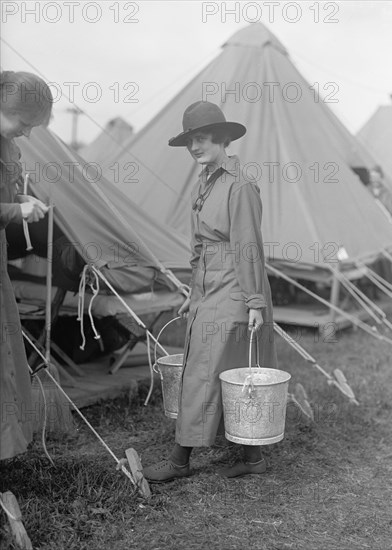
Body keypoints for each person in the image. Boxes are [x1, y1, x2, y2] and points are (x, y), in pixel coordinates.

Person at [143, 101, 277, 482]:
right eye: (190, 142)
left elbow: (248, 246)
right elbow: (200, 247)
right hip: (208, 287)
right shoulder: (206, 182)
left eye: (201, 139)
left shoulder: (240, 185)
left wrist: (253, 301)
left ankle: (179, 459)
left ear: (221, 140)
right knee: (228, 371)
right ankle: (252, 459)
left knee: (207, 369)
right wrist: (192, 292)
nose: (194, 148)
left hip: (235, 286)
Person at [0, 71, 53, 460]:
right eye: (24, 123)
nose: (27, 134)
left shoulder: (6, 146)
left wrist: (19, 198)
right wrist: (17, 208)